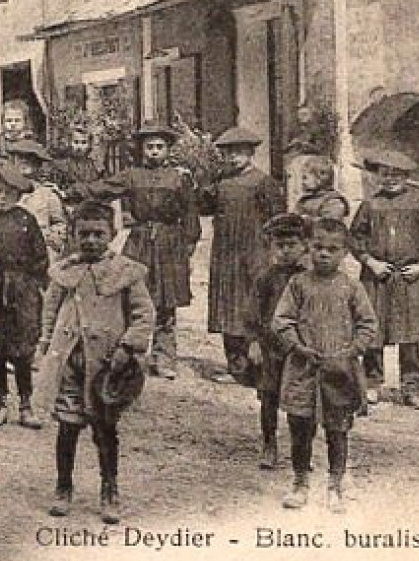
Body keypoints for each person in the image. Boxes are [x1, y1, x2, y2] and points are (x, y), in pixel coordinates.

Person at [39, 200, 156, 525]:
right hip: (71, 365)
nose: (91, 240)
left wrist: (128, 347)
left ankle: (110, 489)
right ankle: (63, 487)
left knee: (105, 432)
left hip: (107, 366)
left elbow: (143, 315)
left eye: (98, 234)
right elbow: (50, 310)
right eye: (84, 234)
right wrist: (46, 344)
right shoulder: (65, 272)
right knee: (67, 428)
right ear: (74, 235)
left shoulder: (125, 273)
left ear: (112, 233)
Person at [272, 217, 377, 512]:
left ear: (344, 252)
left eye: (332, 249)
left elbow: (368, 324)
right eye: (318, 247)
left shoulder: (352, 288)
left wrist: (351, 350)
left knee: (338, 428)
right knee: (300, 427)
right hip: (303, 369)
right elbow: (281, 320)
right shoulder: (298, 284)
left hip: (339, 371)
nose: (324, 254)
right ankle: (300, 482)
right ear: (308, 247)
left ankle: (336, 484)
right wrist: (298, 346)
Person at [84, 121, 200, 379]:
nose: (155, 151)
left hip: (170, 243)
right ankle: (130, 353)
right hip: (140, 240)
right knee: (133, 295)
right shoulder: (131, 175)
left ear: (168, 149)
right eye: (150, 147)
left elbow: (190, 212)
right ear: (142, 149)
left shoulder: (179, 178)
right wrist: (74, 191)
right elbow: (102, 189)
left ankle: (164, 357)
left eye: (160, 147)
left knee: (167, 302)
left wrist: (189, 244)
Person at [350, 150, 419, 409]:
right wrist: (370, 261)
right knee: (373, 330)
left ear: (407, 177)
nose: (390, 179)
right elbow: (355, 237)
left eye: (396, 174)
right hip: (377, 276)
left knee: (409, 334)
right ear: (377, 176)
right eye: (384, 174)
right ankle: (372, 382)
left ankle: (412, 388)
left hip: (408, 277)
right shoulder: (370, 204)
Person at [198, 127, 285, 386]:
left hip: (254, 253)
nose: (233, 157)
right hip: (226, 253)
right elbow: (204, 207)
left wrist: (273, 251)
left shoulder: (262, 182)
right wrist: (206, 186)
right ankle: (235, 367)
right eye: (228, 153)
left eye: (239, 152)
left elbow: (276, 219)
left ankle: (258, 369)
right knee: (227, 306)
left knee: (253, 307)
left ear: (250, 153)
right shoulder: (221, 181)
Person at [0, 163, 49, 429]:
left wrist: (35, 287)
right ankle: (0, 402)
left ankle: (26, 404)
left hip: (22, 290)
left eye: (9, 192)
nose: (2, 197)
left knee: (23, 348)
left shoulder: (26, 220)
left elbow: (41, 257)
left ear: (18, 195)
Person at [249, 213, 311, 470]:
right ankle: (269, 442)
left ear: (304, 246)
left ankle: (302, 449)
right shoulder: (265, 278)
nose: (285, 251)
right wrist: (253, 342)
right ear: (271, 247)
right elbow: (253, 313)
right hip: (271, 347)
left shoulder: (309, 278)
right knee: (269, 396)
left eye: (291, 245)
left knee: (303, 399)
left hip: (300, 347)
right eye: (279, 245)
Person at [51, 127, 103, 204]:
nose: (79, 147)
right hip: (69, 202)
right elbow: (57, 187)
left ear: (89, 145)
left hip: (90, 203)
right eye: (76, 142)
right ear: (69, 143)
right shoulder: (62, 165)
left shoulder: (94, 166)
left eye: (83, 143)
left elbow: (97, 186)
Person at [294, 158, 350, 223]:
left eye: (305, 178)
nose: (302, 182)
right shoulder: (305, 199)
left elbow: (330, 223)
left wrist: (306, 220)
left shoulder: (333, 200)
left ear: (319, 179)